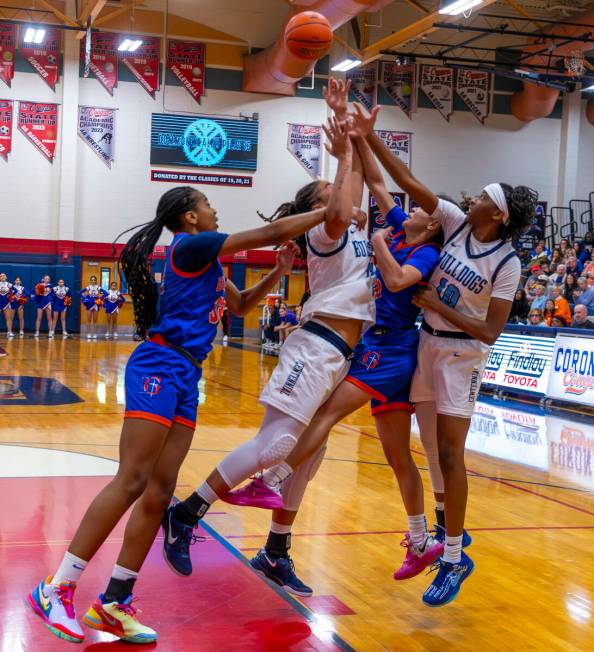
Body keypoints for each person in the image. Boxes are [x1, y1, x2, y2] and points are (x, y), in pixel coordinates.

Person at [28, 186, 333, 644]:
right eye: (207, 204)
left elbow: (240, 307)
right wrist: (332, 213)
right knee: (131, 479)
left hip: (187, 374)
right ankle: (57, 588)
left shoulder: (209, 261)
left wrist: (279, 274)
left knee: (161, 489)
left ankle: (114, 602)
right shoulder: (191, 245)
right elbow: (270, 230)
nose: (214, 209)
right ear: (190, 217)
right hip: (160, 364)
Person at [317, 103, 534, 607]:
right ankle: (438, 531)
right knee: (430, 452)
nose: (471, 198)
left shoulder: (508, 262)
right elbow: (406, 179)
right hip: (425, 345)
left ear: (497, 215)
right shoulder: (454, 223)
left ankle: (454, 557)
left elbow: (491, 331)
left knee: (453, 455)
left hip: (462, 358)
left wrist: (437, 302)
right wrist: (370, 138)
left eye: (483, 197)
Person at [162, 82, 376, 587]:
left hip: (344, 352)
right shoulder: (327, 229)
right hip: (318, 344)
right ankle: (189, 511)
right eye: (329, 191)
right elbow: (341, 205)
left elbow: (357, 186)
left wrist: (355, 132)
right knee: (277, 444)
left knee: (311, 454)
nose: (340, 193)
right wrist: (342, 155)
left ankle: (277, 550)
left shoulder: (356, 227)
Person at [224, 122, 446, 591]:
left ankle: (276, 478)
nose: (409, 212)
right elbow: (383, 183)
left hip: (388, 348)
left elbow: (400, 279)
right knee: (396, 456)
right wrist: (359, 140)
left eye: (424, 214)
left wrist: (382, 242)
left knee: (324, 417)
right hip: (378, 347)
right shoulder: (396, 224)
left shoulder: (419, 252)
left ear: (430, 230)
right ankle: (420, 537)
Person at [79, 276, 105, 340]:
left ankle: (94, 334)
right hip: (89, 304)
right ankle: (88, 334)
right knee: (89, 320)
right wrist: (85, 298)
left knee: (95, 320)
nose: (93, 281)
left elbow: (106, 293)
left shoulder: (98, 287)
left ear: (96, 281)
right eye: (92, 280)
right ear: (90, 281)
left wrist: (100, 299)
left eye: (94, 280)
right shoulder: (88, 287)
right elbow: (79, 293)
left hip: (96, 304)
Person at [0, 272, 14, 337]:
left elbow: (16, 290)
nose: (2, 277)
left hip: (6, 303)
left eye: (4, 276)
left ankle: (9, 331)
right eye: (1, 276)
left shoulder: (9, 284)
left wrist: (11, 295)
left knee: (8, 318)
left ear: (6, 277)